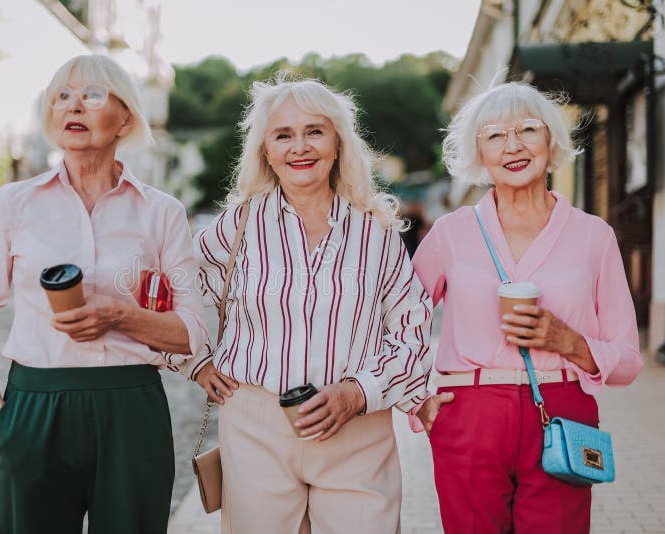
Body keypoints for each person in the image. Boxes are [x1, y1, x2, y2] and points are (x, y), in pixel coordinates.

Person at [0, 55, 207, 533]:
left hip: (131, 409)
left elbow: (191, 333)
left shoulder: (162, 213)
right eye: (61, 97)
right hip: (34, 406)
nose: (74, 106)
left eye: (92, 95)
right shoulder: (13, 204)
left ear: (126, 117)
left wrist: (119, 317)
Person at [182, 76, 434, 534]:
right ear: (266, 151)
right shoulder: (238, 225)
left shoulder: (375, 229)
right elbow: (176, 286)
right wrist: (194, 361)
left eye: (315, 131)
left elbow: (412, 329)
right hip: (256, 428)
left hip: (359, 432)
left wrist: (360, 392)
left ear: (338, 143)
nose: (300, 146)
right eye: (283, 135)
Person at [412, 81, 643, 533]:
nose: (512, 146)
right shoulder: (451, 233)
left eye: (527, 130)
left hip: (562, 410)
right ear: (478, 150)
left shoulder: (594, 236)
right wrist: (415, 399)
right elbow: (395, 323)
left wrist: (570, 342)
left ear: (550, 140)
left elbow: (629, 361)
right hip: (468, 412)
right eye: (495, 135)